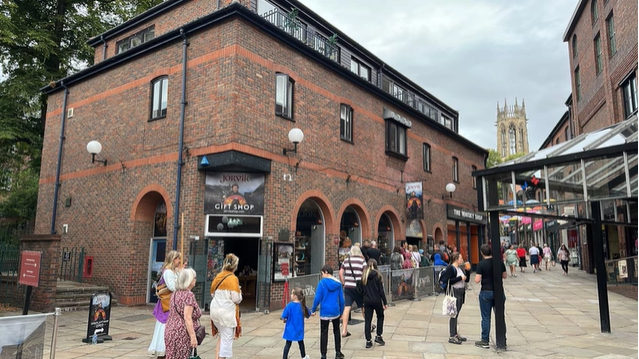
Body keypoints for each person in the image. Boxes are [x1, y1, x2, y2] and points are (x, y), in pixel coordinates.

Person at [149, 250, 182, 358]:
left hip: (171, 303)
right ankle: (163, 350)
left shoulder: (173, 271)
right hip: (166, 304)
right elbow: (172, 287)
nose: (180, 261)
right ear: (173, 259)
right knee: (164, 327)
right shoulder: (168, 272)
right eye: (178, 259)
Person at [474, 244, 507, 349]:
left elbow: (477, 280)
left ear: (482, 253)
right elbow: (504, 276)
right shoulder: (499, 263)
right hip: (498, 292)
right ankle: (502, 339)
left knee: (486, 317)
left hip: (486, 292)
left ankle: (485, 340)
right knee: (500, 316)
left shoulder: (481, 264)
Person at [210, 254, 242, 359]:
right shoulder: (233, 279)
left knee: (222, 336)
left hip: (214, 311)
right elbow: (236, 299)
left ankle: (217, 357)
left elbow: (212, 294)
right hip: (227, 314)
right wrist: (240, 292)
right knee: (227, 341)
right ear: (235, 266)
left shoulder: (218, 276)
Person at [165, 268, 202, 359]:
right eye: (194, 278)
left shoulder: (175, 293)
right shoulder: (188, 295)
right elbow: (187, 317)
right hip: (182, 333)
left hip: (170, 330)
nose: (195, 280)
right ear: (189, 280)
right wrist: (193, 337)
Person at [311, 265, 345, 359]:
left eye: (321, 273)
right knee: (337, 331)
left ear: (326, 272)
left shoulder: (321, 283)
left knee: (324, 333)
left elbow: (317, 298)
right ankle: (338, 352)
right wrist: (341, 311)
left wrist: (313, 309)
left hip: (325, 311)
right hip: (335, 311)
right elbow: (342, 300)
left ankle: (323, 355)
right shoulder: (338, 284)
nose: (321, 275)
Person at [359, 259, 387, 349]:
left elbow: (360, 289)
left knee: (368, 321)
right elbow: (381, 291)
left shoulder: (364, 276)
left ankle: (368, 341)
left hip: (367, 301)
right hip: (377, 300)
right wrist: (385, 302)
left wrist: (363, 297)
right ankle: (378, 336)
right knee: (380, 317)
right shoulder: (378, 276)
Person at [339, 246, 366, 338]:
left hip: (348, 287)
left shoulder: (346, 260)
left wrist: (343, 282)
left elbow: (340, 273)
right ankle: (369, 326)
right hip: (358, 288)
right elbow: (365, 273)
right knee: (363, 307)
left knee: (347, 307)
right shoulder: (362, 261)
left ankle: (344, 330)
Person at [443, 252, 467, 344]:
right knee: (453, 313)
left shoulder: (459, 268)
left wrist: (467, 271)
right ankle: (452, 335)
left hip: (461, 291)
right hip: (454, 292)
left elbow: (466, 279)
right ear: (456, 259)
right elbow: (449, 280)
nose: (462, 260)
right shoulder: (451, 268)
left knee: (457, 313)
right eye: (460, 258)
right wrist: (460, 278)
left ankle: (455, 333)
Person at [281, 287, 311, 359]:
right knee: (301, 343)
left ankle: (284, 357)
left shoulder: (289, 305)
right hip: (299, 328)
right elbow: (308, 314)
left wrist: (284, 319)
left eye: (292, 293)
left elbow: (284, 316)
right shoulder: (302, 306)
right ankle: (303, 356)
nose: (290, 295)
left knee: (288, 344)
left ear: (295, 296)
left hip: (290, 329)